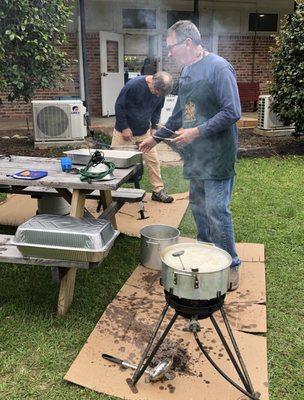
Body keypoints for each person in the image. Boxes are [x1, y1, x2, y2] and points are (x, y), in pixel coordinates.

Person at [139, 20, 242, 289]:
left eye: (171, 46)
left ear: (187, 42)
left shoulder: (219, 68)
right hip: (197, 155)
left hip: (218, 153)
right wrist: (154, 138)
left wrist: (195, 132)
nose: (169, 53)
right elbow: (178, 115)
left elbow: (232, 112)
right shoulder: (185, 72)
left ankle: (230, 265)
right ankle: (207, 252)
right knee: (198, 206)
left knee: (217, 209)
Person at [112, 71, 174, 203]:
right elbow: (119, 106)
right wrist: (124, 127)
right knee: (115, 164)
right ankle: (110, 194)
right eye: (156, 91)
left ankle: (158, 191)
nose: (157, 95)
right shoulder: (133, 85)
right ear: (151, 82)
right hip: (123, 132)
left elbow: (158, 109)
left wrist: (154, 127)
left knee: (153, 161)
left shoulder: (160, 91)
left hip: (144, 133)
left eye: (160, 94)